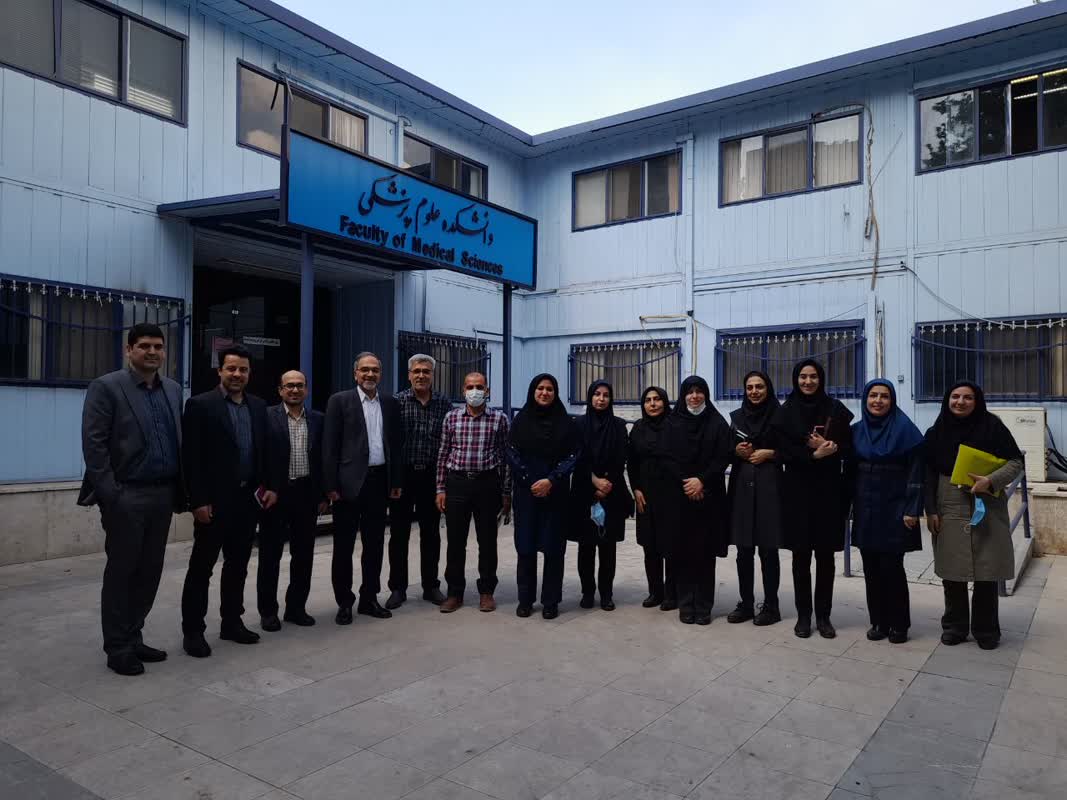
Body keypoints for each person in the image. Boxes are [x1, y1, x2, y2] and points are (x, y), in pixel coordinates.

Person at [79, 322, 185, 676]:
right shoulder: (107, 387)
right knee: (122, 571)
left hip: (163, 494)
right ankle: (118, 647)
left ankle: (134, 635)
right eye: (144, 346)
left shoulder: (172, 390)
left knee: (150, 571)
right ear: (129, 350)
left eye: (158, 346)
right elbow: (94, 445)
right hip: (127, 494)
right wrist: (112, 495)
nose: (152, 352)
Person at [181, 345, 270, 658]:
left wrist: (268, 487)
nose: (237, 374)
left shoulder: (258, 406)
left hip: (247, 501)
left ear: (249, 373)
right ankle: (193, 631)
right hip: (214, 503)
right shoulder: (200, 405)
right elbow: (191, 458)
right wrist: (198, 501)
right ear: (220, 370)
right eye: (231, 368)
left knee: (238, 566)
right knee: (201, 568)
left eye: (243, 369)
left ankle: (232, 622)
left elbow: (264, 451)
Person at [924, 381, 1023, 650]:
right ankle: (954, 627)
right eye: (955, 396)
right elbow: (927, 474)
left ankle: (986, 630)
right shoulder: (935, 432)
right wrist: (930, 510)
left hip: (986, 503)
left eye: (968, 397)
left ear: (977, 401)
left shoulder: (993, 427)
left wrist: (990, 481)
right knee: (952, 572)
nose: (960, 402)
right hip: (949, 503)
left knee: (986, 572)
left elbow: (1016, 462)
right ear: (947, 400)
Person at [323, 352, 404, 624]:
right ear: (355, 373)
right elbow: (329, 446)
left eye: (375, 370)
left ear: (381, 373)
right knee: (343, 547)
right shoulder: (339, 401)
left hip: (379, 483)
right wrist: (330, 486)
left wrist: (395, 482)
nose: (370, 374)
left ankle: (369, 598)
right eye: (365, 370)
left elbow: (396, 445)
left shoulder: (390, 403)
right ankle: (344, 602)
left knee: (375, 545)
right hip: (347, 485)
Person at [775, 359, 854, 640]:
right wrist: (813, 455)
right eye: (803, 377)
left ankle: (823, 616)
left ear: (821, 379)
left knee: (825, 557)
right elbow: (782, 452)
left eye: (813, 377)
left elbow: (849, 448)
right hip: (797, 493)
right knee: (800, 557)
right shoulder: (785, 412)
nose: (808, 382)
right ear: (795, 379)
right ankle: (804, 616)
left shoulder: (835, 409)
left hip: (828, 493)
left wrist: (831, 447)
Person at [847, 379, 925, 644]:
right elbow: (848, 470)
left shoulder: (906, 430)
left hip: (895, 506)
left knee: (892, 567)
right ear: (865, 399)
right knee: (871, 567)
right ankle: (878, 622)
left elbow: (916, 473)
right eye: (873, 395)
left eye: (884, 396)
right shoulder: (856, 431)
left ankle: (899, 624)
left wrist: (912, 508)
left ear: (892, 400)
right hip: (866, 505)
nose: (878, 401)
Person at [436, 371, 512, 613]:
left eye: (479, 387)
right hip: (457, 483)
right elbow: (443, 454)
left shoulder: (499, 419)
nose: (474, 391)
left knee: (487, 541)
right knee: (455, 542)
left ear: (487, 391)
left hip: (487, 484)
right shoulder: (451, 418)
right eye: (470, 387)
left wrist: (506, 492)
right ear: (463, 390)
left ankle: (486, 592)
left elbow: (506, 458)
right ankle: (455, 593)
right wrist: (440, 488)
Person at [507, 374, 581, 619]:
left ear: (555, 393)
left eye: (550, 389)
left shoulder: (566, 423)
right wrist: (530, 480)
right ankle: (525, 600)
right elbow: (512, 452)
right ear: (533, 391)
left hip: (555, 495)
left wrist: (552, 480)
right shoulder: (520, 421)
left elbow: (573, 455)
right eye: (540, 388)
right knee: (525, 548)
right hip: (526, 494)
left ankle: (550, 601)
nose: (544, 393)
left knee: (553, 550)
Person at [660, 376, 732, 625]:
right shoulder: (672, 422)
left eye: (699, 391)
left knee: (705, 553)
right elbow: (666, 457)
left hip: (709, 496)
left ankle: (703, 606)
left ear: (706, 394)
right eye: (689, 392)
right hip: (680, 497)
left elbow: (723, 456)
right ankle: (685, 603)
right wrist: (688, 483)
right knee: (683, 552)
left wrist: (701, 481)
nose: (694, 396)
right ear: (683, 395)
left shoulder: (717, 422)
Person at [257, 370, 326, 631]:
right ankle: (268, 612)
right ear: (280, 390)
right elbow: (259, 456)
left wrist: (323, 494)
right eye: (289, 386)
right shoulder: (266, 417)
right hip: (276, 495)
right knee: (270, 555)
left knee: (303, 555)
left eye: (299, 386)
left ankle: (296, 608)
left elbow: (323, 458)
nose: (295, 390)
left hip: (306, 494)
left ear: (306, 389)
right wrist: (265, 489)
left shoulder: (318, 419)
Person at [387, 354, 452, 609]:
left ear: (433, 375)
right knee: (398, 534)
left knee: (431, 534)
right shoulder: (397, 402)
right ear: (409, 375)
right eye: (417, 371)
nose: (421, 375)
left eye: (426, 371)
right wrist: (393, 479)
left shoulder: (443, 404)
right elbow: (390, 442)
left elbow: (449, 442)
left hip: (431, 477)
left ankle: (431, 586)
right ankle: (397, 588)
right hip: (402, 477)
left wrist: (444, 483)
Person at [726, 371, 784, 627]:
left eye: (759, 386)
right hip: (742, 488)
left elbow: (793, 449)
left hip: (770, 488)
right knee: (743, 550)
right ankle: (746, 603)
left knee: (768, 549)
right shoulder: (737, 418)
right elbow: (724, 450)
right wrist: (735, 451)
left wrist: (770, 454)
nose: (754, 391)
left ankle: (772, 606)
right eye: (749, 387)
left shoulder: (780, 417)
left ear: (768, 388)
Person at [569, 381, 633, 611]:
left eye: (606, 395)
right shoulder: (578, 425)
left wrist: (606, 484)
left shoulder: (618, 426)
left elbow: (621, 458)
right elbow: (575, 458)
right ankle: (587, 592)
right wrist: (593, 482)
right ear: (590, 397)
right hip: (583, 492)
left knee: (608, 548)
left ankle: (606, 594)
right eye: (597, 394)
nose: (601, 399)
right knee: (586, 547)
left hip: (611, 491)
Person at [628, 386, 677, 610]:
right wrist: (636, 489)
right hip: (645, 495)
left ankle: (671, 594)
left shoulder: (675, 426)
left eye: (657, 399)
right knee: (650, 546)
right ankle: (655, 592)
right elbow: (632, 462)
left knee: (671, 546)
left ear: (665, 402)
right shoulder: (638, 428)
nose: (653, 404)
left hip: (671, 495)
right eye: (648, 400)